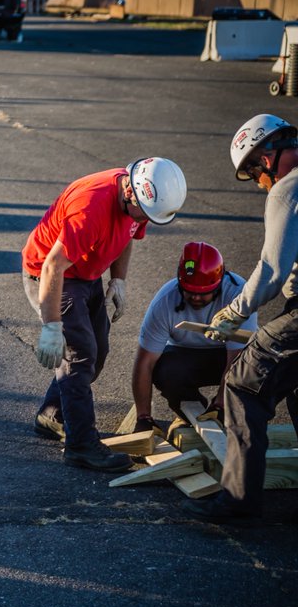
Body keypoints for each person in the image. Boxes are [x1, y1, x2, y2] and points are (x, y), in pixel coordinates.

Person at [23, 157, 187, 473]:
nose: (146, 220)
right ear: (130, 193)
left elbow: (130, 232)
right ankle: (81, 445)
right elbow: (52, 267)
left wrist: (119, 279)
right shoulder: (91, 208)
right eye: (145, 213)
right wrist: (52, 326)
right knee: (80, 355)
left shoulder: (143, 200)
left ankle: (52, 414)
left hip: (84, 273)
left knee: (98, 351)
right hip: (51, 276)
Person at [184, 114, 298, 524]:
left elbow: (271, 269)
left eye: (253, 171)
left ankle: (238, 502)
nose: (257, 182)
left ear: (267, 157)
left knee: (243, 385)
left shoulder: (288, 188)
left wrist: (235, 311)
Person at [131, 241, 257, 432]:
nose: (196, 298)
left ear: (219, 283)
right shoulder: (164, 302)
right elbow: (144, 363)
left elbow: (236, 360)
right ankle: (190, 416)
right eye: (190, 292)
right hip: (185, 355)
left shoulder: (239, 295)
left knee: (254, 369)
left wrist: (221, 404)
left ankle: (236, 417)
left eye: (204, 293)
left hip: (229, 356)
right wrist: (143, 417)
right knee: (166, 371)